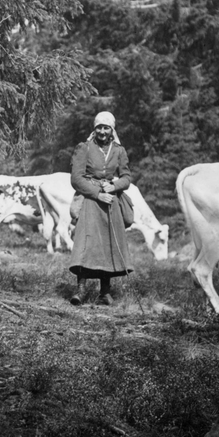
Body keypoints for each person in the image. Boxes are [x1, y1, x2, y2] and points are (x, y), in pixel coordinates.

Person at [67, 111, 132, 306]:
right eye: (99, 127)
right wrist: (96, 193)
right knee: (86, 243)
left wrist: (114, 186)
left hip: (110, 200)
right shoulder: (84, 148)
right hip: (89, 199)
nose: (102, 132)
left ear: (112, 130)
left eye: (106, 128)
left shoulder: (119, 151)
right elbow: (76, 179)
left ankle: (105, 291)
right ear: (94, 129)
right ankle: (80, 290)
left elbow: (126, 177)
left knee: (108, 243)